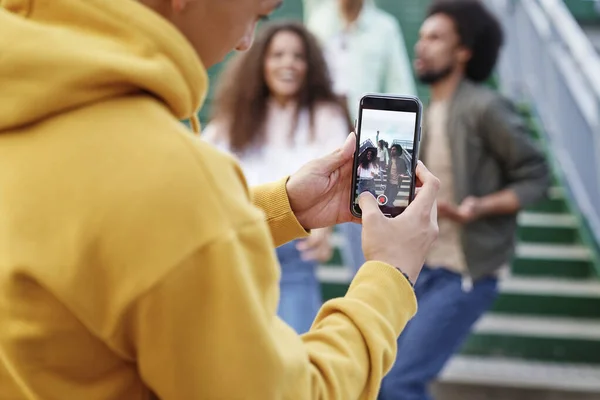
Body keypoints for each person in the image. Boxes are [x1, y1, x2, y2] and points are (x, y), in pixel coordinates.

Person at [0, 1, 441, 399]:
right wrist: (389, 274)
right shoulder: (169, 174)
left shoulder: (34, 98)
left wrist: (283, 206)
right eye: (256, 15)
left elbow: (141, 233)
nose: (245, 41)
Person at [379, 2, 551, 399]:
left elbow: (536, 174)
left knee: (401, 381)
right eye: (421, 37)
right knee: (383, 375)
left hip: (465, 273)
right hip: (421, 269)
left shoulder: (486, 106)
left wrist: (480, 207)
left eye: (436, 38)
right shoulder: (425, 111)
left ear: (464, 51)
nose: (421, 46)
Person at [203, 21, 351, 334]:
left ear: (309, 66)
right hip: (240, 247)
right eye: (278, 55)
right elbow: (201, 165)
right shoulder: (237, 116)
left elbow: (342, 171)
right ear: (261, 63)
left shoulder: (326, 115)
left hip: (295, 251)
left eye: (298, 56)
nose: (288, 63)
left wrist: (325, 228)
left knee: (296, 353)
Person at [306, 0, 418, 276]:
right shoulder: (318, 21)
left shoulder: (385, 28)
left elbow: (400, 89)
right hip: (320, 142)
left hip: (367, 145)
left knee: (365, 242)